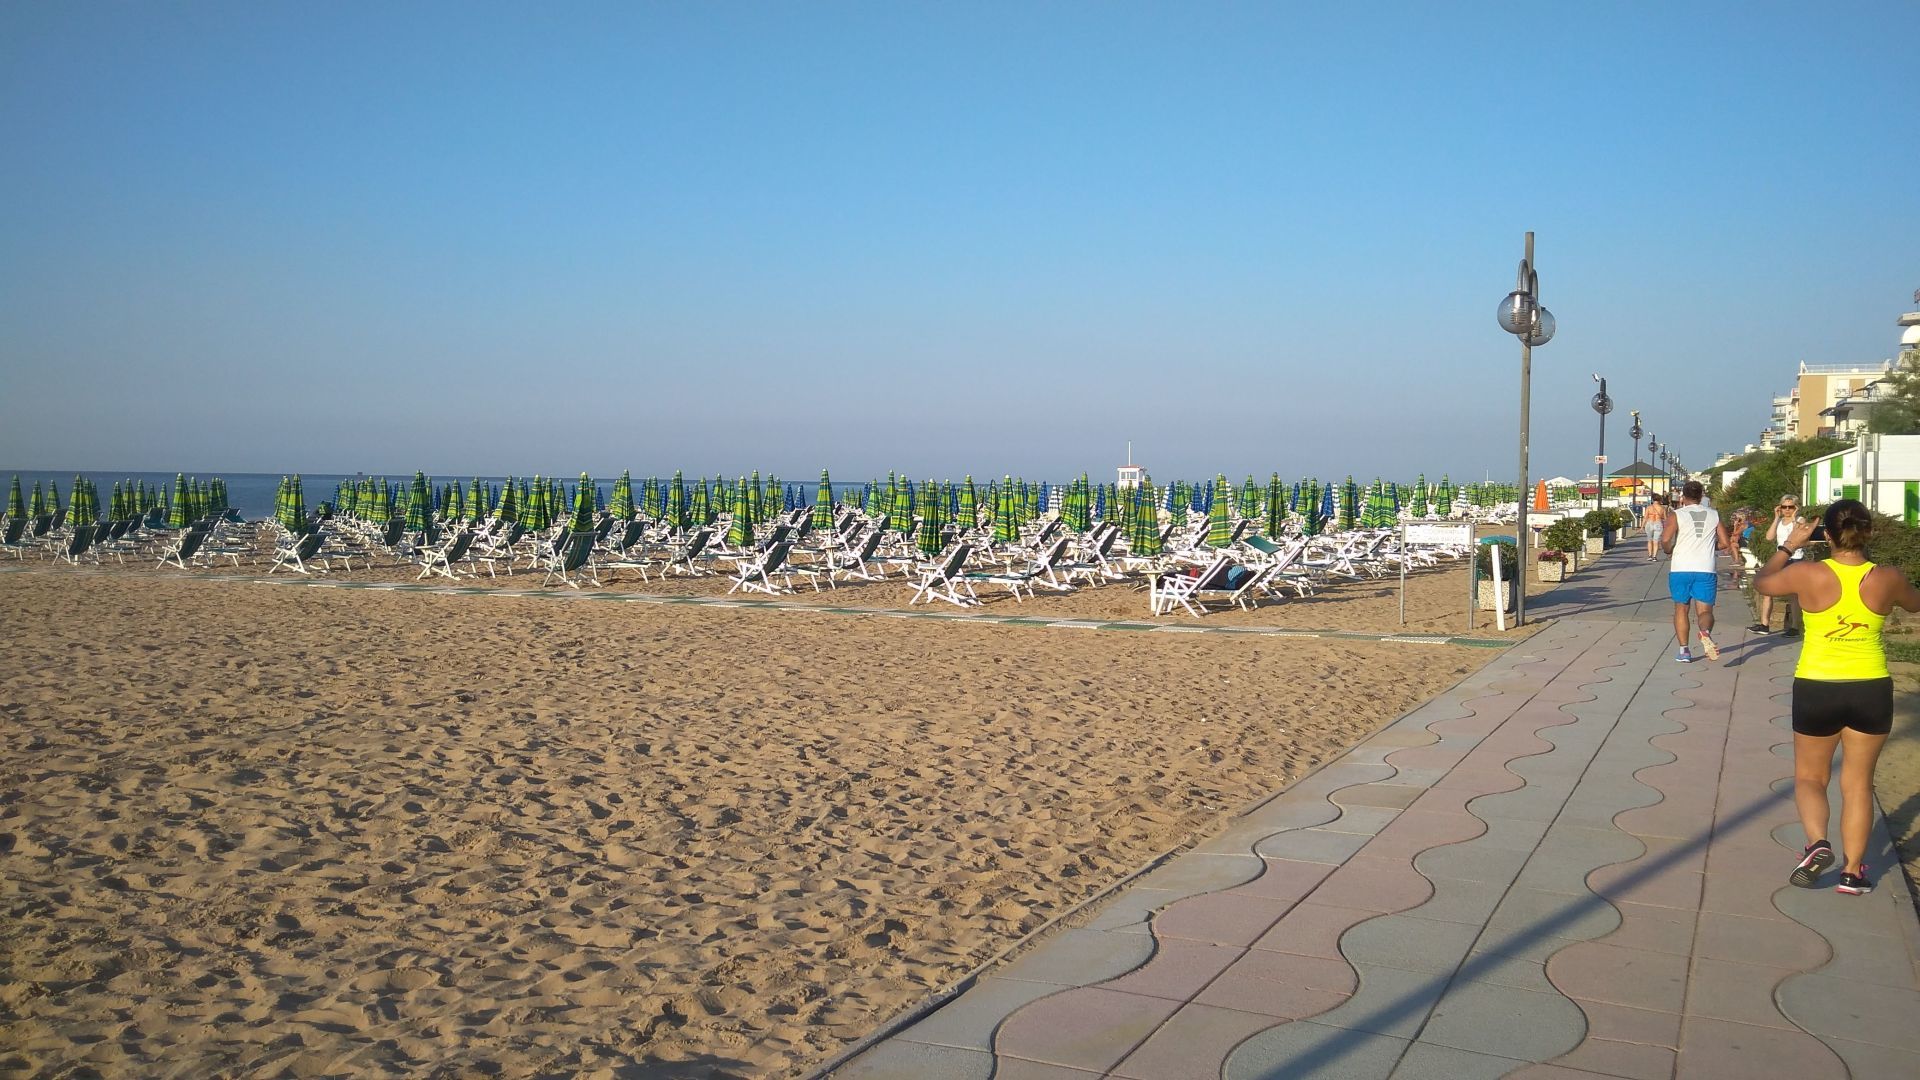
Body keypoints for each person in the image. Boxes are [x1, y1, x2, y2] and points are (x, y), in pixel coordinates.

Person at [1753, 499, 1919, 895]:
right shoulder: (1888, 577)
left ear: (1825, 535)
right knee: (1858, 784)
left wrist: (1789, 545)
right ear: (1869, 532)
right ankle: (1852, 872)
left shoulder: (1807, 573)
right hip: (1870, 687)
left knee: (1811, 777)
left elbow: (1763, 582)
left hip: (1817, 686)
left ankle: (1817, 844)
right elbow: (1916, 606)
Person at [1661, 480, 1732, 663]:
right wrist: (1710, 546)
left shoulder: (1676, 515)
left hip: (1680, 567)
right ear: (1701, 496)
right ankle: (1705, 632)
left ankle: (1684, 651)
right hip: (1705, 568)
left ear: (1683, 497)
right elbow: (1725, 543)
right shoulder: (1714, 515)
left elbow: (1666, 540)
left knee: (1681, 608)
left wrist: (1669, 550)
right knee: (1705, 611)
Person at [1754, 496, 1806, 636]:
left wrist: (1794, 518)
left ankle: (1795, 627)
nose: (1787, 510)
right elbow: (1769, 537)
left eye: (1791, 507)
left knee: (1793, 594)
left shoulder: (1800, 520)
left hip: (1794, 559)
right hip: (1780, 558)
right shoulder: (1780, 521)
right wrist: (1776, 518)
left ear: (1796, 508)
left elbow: (1797, 534)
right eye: (1784, 507)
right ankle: (1764, 624)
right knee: (1768, 590)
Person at [1644, 493, 1669, 560]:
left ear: (1653, 499)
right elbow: (1665, 518)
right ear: (1660, 500)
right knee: (1656, 541)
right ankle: (1654, 556)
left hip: (1650, 523)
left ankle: (1650, 556)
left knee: (1649, 540)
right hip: (1658, 523)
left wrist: (1641, 526)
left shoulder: (1649, 507)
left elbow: (1645, 517)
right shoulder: (1662, 508)